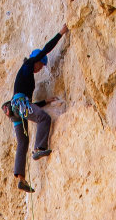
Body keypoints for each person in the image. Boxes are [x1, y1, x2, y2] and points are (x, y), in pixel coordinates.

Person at [5, 24, 69, 191]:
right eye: (41, 64)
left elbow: (31, 105)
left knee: (22, 141)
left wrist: (45, 101)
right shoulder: (28, 65)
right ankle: (39, 148)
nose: (40, 68)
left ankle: (21, 178)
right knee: (44, 118)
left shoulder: (27, 76)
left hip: (16, 109)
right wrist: (60, 33)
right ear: (37, 61)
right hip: (20, 105)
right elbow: (46, 49)